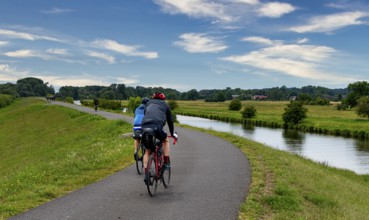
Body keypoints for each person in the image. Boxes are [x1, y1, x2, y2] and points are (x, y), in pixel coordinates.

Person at [141, 92, 177, 182]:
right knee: (165, 140)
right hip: (157, 127)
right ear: (163, 99)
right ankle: (165, 162)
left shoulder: (148, 103)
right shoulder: (166, 105)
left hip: (145, 127)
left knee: (147, 151)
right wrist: (172, 133)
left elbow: (146, 113)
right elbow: (170, 121)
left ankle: (146, 173)